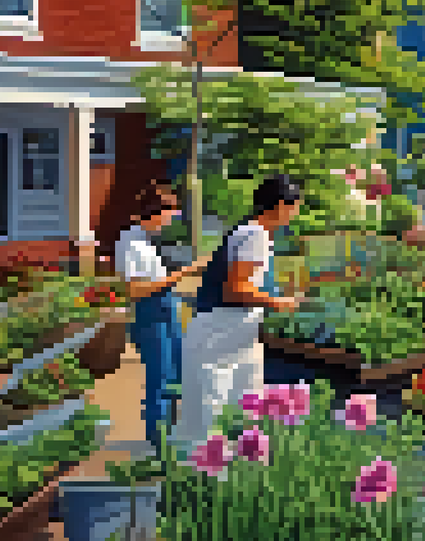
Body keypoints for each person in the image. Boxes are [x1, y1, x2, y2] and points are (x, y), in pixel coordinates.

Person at [170, 175, 305, 455]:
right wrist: (279, 302)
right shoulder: (254, 235)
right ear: (279, 206)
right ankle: (206, 483)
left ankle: (227, 477)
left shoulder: (249, 231)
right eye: (294, 208)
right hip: (221, 332)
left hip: (228, 334)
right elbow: (235, 289)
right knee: (212, 410)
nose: (295, 215)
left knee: (236, 407)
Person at [115, 181, 209, 448]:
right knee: (160, 378)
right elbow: (134, 289)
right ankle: (159, 443)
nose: (171, 220)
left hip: (167, 309)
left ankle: (173, 435)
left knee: (178, 374)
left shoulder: (145, 240)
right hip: (151, 313)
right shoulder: (129, 241)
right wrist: (183, 273)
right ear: (155, 211)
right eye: (171, 213)